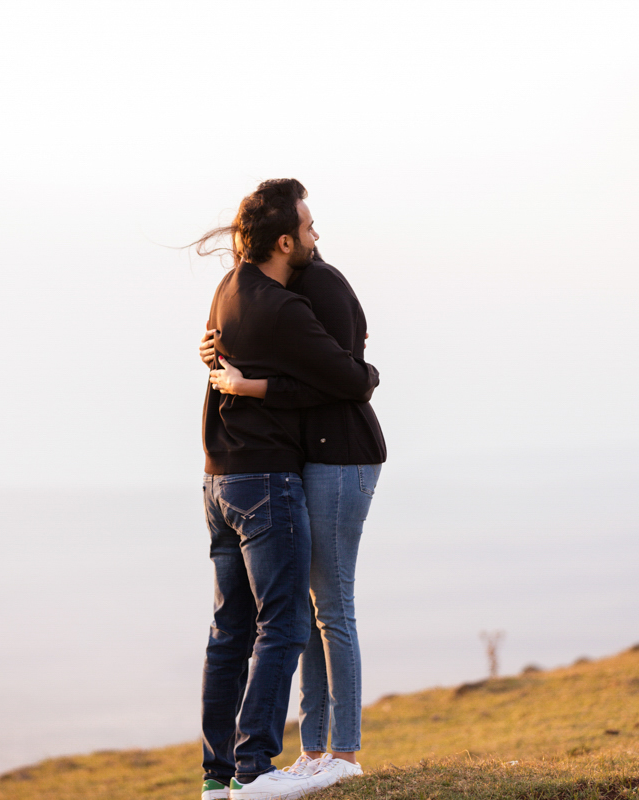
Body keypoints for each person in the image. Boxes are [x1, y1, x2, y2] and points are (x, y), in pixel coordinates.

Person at [195, 179, 380, 800]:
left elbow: (346, 377)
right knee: (292, 617)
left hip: (252, 472)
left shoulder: (248, 289)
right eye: (307, 227)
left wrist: (251, 386)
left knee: (277, 619)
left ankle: (245, 772)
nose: (316, 236)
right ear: (283, 240)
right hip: (271, 475)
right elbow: (348, 377)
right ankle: (266, 765)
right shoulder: (278, 301)